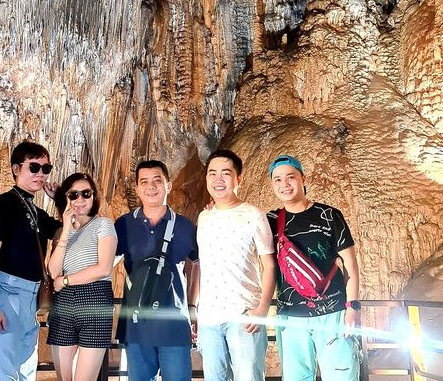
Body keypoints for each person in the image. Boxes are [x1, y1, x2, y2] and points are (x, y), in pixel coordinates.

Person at [0, 141, 62, 381]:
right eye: (34, 167)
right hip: (6, 292)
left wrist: (60, 201)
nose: (41, 174)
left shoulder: (35, 211)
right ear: (16, 169)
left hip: (29, 300)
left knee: (24, 372)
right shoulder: (3, 204)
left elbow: (65, 232)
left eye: (46, 169)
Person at [267, 154, 360, 381]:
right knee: (296, 377)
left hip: (333, 312)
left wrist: (352, 307)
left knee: (341, 375)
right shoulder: (270, 220)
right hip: (291, 315)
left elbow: (350, 265)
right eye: (277, 179)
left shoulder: (329, 216)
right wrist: (214, 205)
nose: (284, 184)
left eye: (290, 177)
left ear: (303, 178)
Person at [114, 160, 199, 381]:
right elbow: (105, 263)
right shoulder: (124, 225)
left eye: (157, 180)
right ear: (137, 188)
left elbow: (195, 264)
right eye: (144, 182)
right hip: (136, 324)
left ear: (168, 185)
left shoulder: (184, 226)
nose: (151, 187)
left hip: (174, 322)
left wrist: (192, 306)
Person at [196, 149, 276, 381]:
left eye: (225, 173)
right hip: (209, 318)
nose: (218, 179)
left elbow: (269, 265)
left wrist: (262, 309)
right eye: (212, 173)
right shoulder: (204, 217)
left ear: (238, 179)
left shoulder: (254, 215)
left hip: (244, 315)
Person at [46, 173, 117, 381]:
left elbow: (103, 268)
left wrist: (65, 281)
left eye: (86, 194)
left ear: (94, 197)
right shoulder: (62, 232)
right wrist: (66, 229)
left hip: (95, 301)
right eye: (73, 195)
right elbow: (53, 271)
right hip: (64, 304)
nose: (80, 199)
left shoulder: (103, 224)